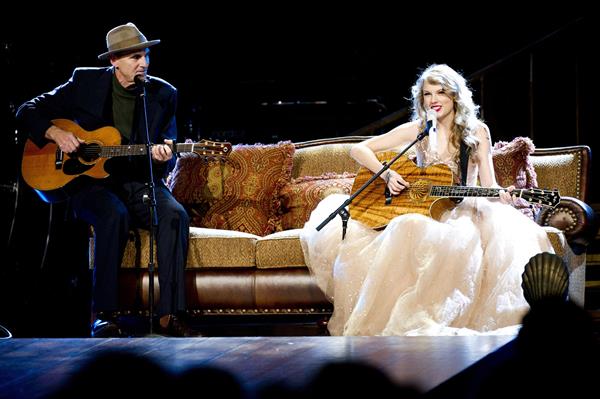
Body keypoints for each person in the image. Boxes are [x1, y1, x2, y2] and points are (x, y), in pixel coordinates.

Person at [300, 64, 555, 336]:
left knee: (460, 238)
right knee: (406, 226)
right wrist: (386, 175)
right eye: (427, 94)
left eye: (441, 92)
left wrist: (504, 195)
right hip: (422, 210)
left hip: (464, 209)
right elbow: (358, 149)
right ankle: (404, 320)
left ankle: (439, 321)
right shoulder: (419, 130)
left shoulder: (477, 131)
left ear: (455, 96)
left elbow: (489, 184)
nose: (433, 100)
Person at [16, 23, 195, 337]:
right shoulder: (85, 81)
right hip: (89, 184)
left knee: (175, 216)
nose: (144, 63)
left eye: (146, 55)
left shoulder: (164, 94)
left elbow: (170, 144)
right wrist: (56, 133)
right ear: (114, 60)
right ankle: (105, 315)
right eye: (135, 57)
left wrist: (164, 157)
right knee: (113, 214)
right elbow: (27, 110)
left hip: (138, 181)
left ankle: (170, 314)